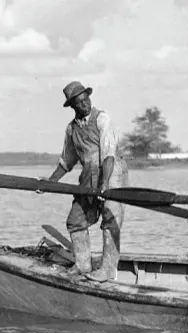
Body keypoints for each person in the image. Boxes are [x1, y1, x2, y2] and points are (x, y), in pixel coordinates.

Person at [46, 81, 128, 282]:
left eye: (86, 99)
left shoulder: (102, 119)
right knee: (75, 221)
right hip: (88, 177)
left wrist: (105, 185)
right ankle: (83, 264)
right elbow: (67, 161)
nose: (85, 104)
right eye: (80, 102)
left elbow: (108, 154)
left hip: (112, 173)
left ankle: (108, 270)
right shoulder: (71, 129)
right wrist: (49, 182)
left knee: (111, 221)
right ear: (72, 106)